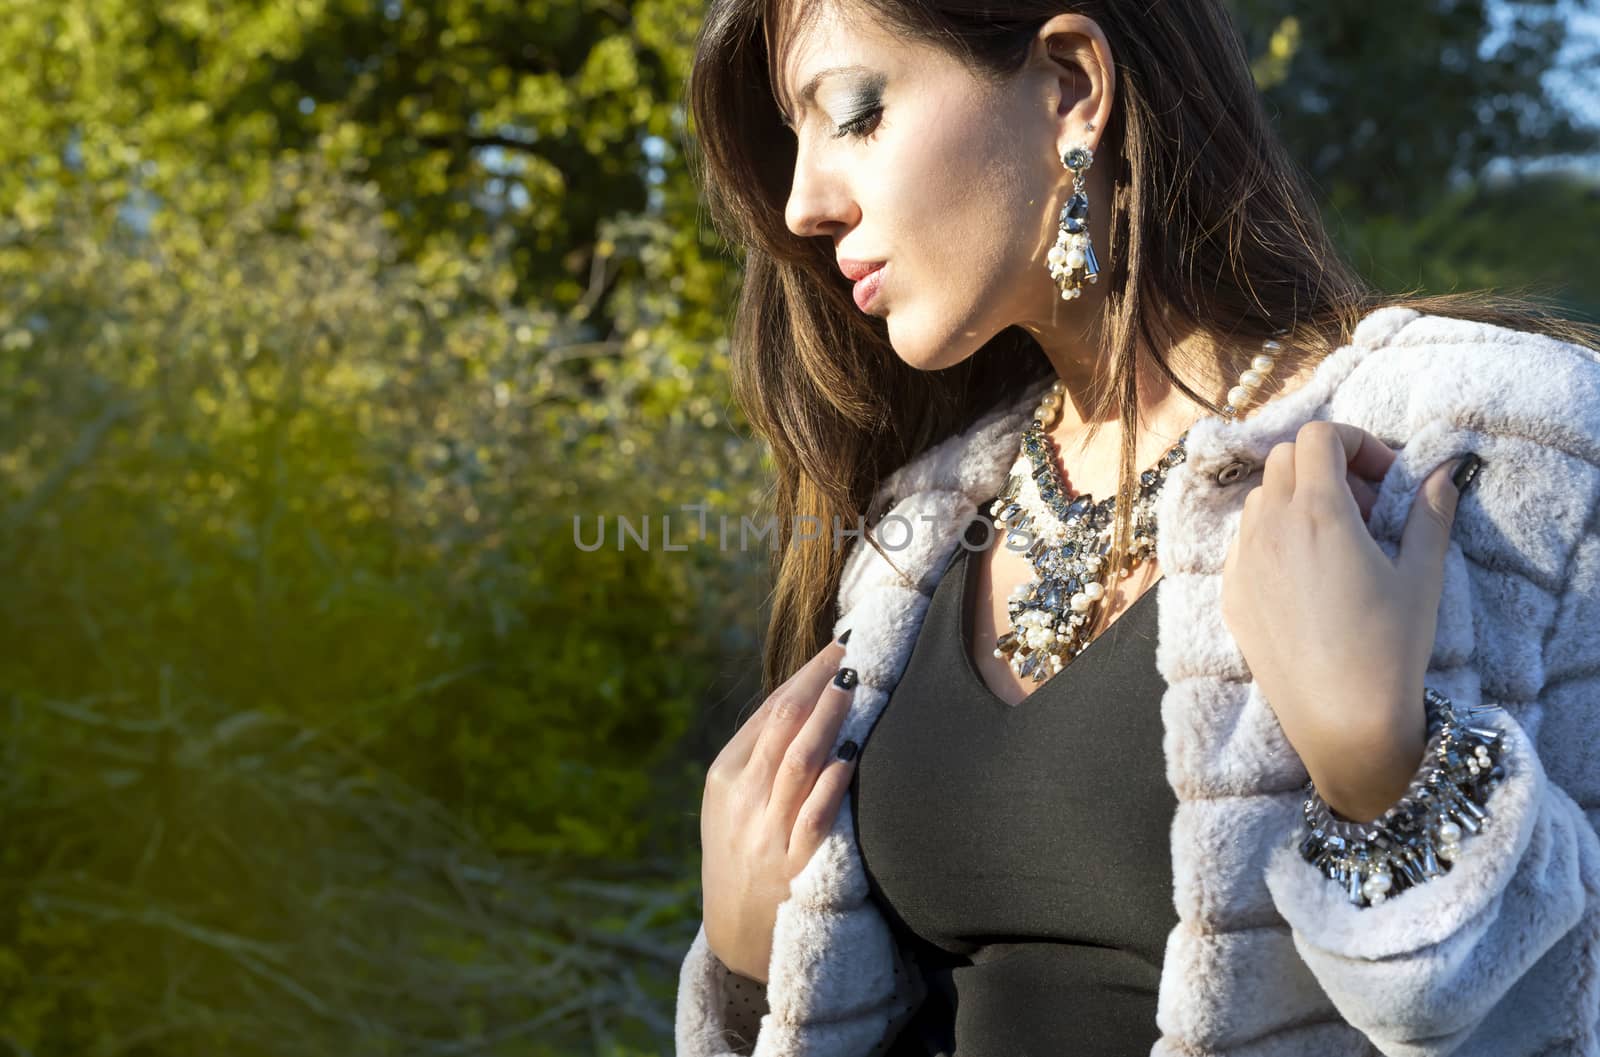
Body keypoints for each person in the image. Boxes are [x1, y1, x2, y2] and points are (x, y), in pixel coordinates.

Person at [675, 0, 1600, 1054]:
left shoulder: (1499, 439)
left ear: (1070, 85)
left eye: (850, 112)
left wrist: (1385, 776)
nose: (799, 203)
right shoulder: (917, 531)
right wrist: (754, 980)